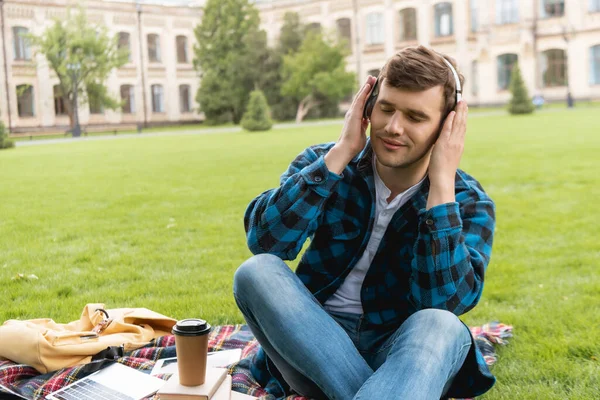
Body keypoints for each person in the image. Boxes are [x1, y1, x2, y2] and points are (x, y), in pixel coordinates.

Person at [233, 45, 496, 400]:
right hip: (314, 344)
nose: (393, 127)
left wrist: (442, 188)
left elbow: (444, 302)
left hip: (402, 354)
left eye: (416, 117)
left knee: (441, 324)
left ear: (447, 126)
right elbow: (267, 242)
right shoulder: (325, 163)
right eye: (386, 108)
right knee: (256, 272)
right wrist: (341, 152)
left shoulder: (467, 201)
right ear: (369, 105)